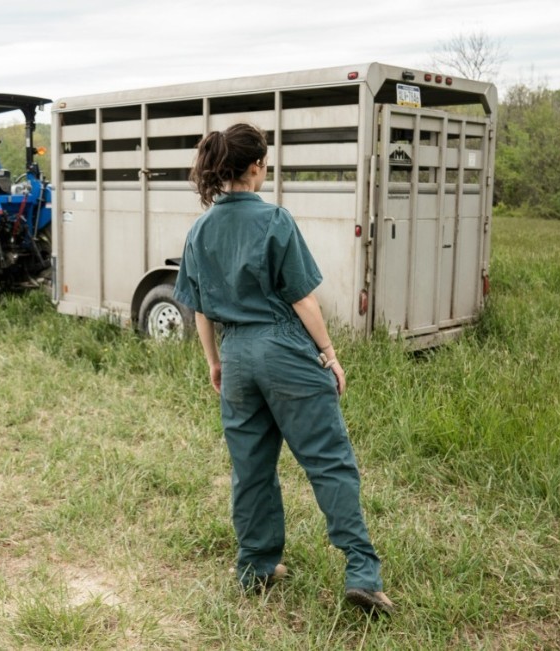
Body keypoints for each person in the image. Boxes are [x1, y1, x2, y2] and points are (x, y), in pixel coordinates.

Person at [172, 123, 395, 616]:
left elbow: (201, 309)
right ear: (255, 167)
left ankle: (256, 566)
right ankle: (361, 571)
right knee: (327, 459)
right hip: (284, 348)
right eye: (265, 161)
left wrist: (215, 362)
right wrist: (330, 354)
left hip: (236, 357)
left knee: (250, 468)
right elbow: (302, 298)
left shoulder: (200, 229)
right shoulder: (274, 219)